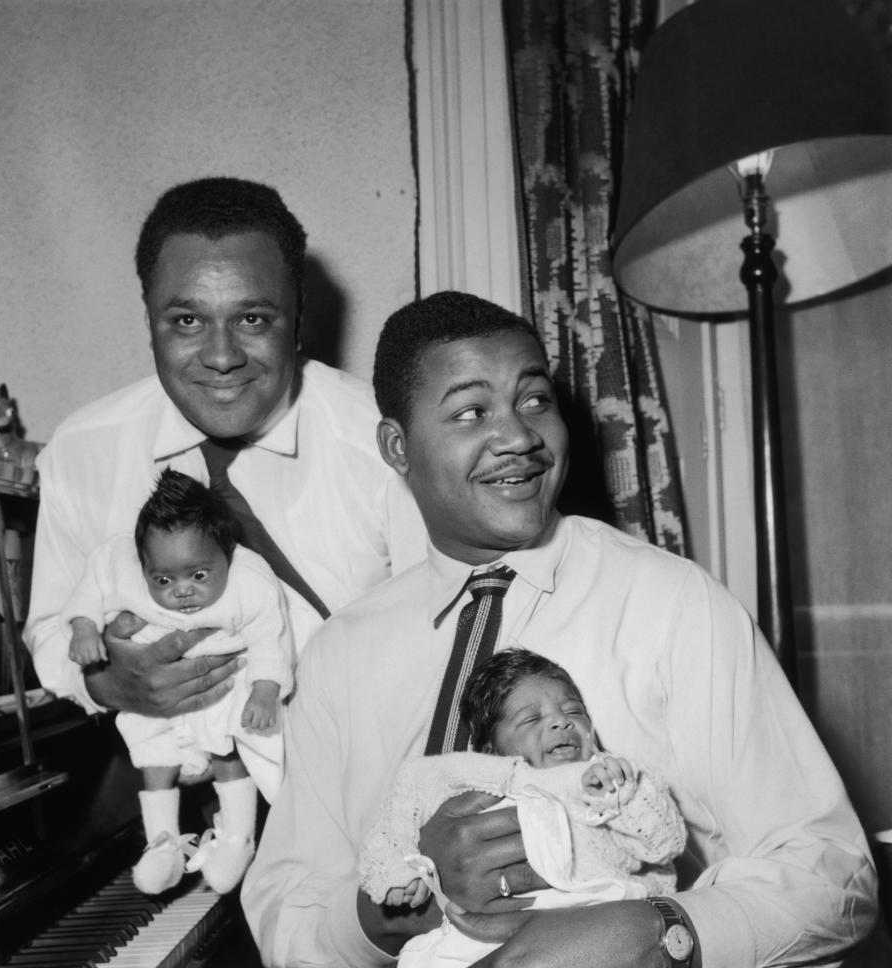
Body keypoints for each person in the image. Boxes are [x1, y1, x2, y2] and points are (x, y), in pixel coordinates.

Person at [244, 290, 877, 968]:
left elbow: (835, 875)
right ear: (397, 447)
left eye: (535, 400)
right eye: (470, 411)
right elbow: (286, 906)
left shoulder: (674, 605)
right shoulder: (342, 653)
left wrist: (656, 933)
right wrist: (391, 912)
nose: (519, 437)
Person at [23, 177, 425, 720]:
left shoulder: (385, 440)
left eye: (252, 319)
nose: (221, 356)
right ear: (150, 324)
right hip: (178, 776)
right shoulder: (81, 452)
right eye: (187, 320)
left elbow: (442, 634)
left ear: (299, 320)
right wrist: (105, 683)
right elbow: (49, 626)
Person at [358, 648, 687, 968]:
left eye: (574, 711)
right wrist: (399, 874)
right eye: (531, 718)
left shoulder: (604, 786)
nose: (561, 721)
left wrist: (621, 791)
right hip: (478, 945)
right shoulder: (467, 782)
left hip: (600, 935)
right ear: (491, 749)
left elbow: (664, 844)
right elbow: (397, 819)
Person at [63, 468, 293, 895]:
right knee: (153, 753)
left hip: (223, 676)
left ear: (228, 554)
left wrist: (264, 689)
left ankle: (238, 837)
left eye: (199, 576)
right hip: (150, 686)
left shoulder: (250, 580)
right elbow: (89, 589)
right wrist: (83, 629)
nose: (182, 591)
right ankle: (162, 843)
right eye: (163, 580)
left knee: (232, 741)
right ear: (143, 566)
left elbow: (269, 639)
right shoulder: (119, 563)